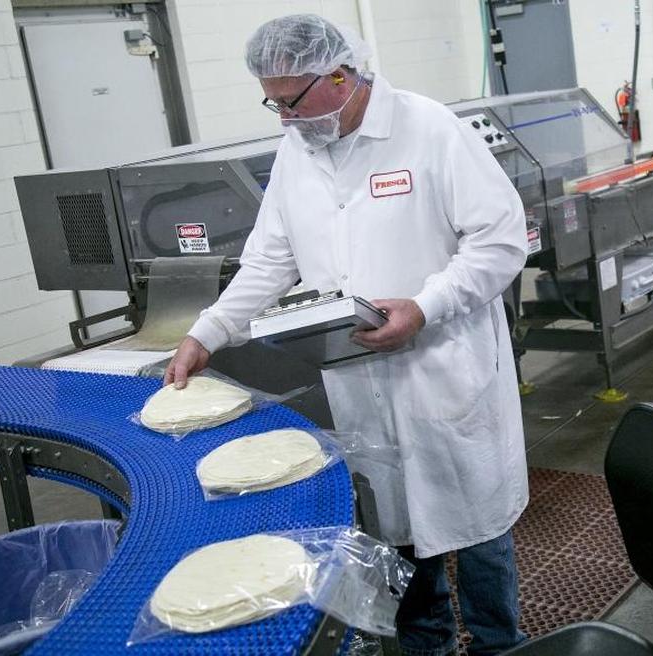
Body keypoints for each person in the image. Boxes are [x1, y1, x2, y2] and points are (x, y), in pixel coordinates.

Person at [162, 14, 530, 656]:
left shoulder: (429, 130)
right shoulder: (297, 151)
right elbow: (270, 258)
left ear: (340, 74)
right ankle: (426, 646)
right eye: (271, 101)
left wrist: (424, 305)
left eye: (290, 100)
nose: (282, 116)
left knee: (476, 534)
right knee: (395, 530)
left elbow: (499, 243)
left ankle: (504, 646)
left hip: (444, 372)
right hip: (360, 379)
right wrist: (208, 330)